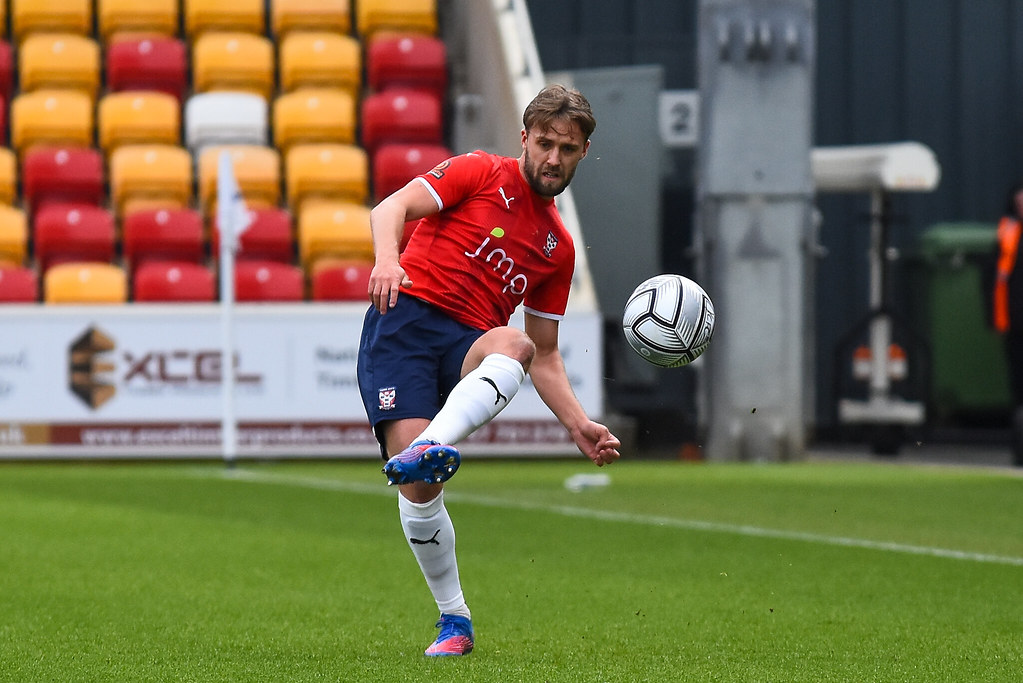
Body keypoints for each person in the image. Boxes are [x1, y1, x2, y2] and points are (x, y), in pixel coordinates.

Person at [356, 84, 622, 656]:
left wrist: (579, 424)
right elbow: (391, 208)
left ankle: (431, 443)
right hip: (401, 325)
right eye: (545, 143)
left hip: (468, 343)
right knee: (421, 489)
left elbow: (546, 355)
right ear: (525, 139)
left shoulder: (558, 247)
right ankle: (455, 619)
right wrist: (387, 261)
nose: (553, 158)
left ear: (584, 153)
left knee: (518, 343)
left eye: (567, 149)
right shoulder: (479, 172)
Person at [990, 180, 1023, 466]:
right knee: (1018, 385)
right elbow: (992, 278)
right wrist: (995, 319)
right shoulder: (1006, 233)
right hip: (1014, 323)